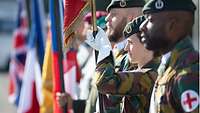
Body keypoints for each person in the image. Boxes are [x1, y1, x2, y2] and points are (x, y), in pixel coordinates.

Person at [85, 15, 160, 113]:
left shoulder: (150, 75)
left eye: (131, 43)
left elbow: (105, 83)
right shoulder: (135, 70)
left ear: (145, 43)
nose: (126, 48)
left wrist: (105, 50)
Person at [139, 0, 199, 112]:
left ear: (171, 25)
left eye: (150, 20)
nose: (142, 27)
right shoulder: (169, 66)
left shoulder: (188, 72)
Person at [91, 0, 147, 113]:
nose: (107, 18)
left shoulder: (137, 57)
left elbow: (107, 85)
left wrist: (104, 49)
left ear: (132, 18)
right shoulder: (117, 53)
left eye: (114, 14)